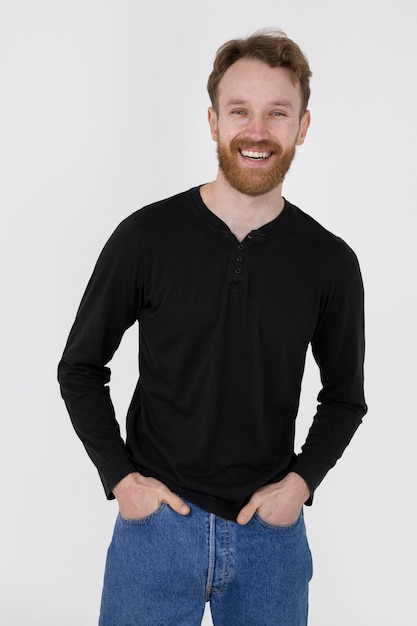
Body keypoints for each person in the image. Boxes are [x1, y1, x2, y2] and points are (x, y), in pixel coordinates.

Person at [58, 29, 367, 626]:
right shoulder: (146, 238)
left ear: (302, 126)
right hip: (155, 534)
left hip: (269, 541)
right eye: (239, 111)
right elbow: (80, 368)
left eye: (278, 113)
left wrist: (300, 485)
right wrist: (121, 480)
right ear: (213, 120)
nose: (257, 131)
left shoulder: (329, 262)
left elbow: (345, 398)